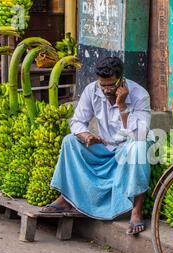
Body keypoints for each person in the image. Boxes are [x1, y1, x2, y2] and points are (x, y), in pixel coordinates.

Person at [40, 56, 152, 236]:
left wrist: (122, 105)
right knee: (70, 141)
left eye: (111, 84)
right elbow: (77, 122)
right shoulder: (91, 90)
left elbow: (139, 133)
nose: (107, 90)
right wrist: (86, 136)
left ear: (121, 80)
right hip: (105, 147)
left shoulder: (140, 95)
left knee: (138, 147)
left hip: (128, 146)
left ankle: (136, 210)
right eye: (103, 85)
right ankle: (66, 198)